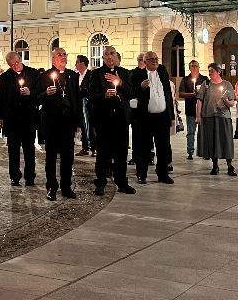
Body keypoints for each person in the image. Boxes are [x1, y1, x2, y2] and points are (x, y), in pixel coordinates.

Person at [87, 46, 136, 195]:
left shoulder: (124, 73)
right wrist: (104, 96)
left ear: (116, 56)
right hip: (104, 119)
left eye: (112, 54)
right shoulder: (96, 74)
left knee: (121, 152)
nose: (109, 57)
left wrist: (119, 82)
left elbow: (132, 93)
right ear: (103, 58)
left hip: (121, 119)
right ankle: (101, 182)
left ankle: (121, 182)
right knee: (103, 153)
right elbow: (90, 95)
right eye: (106, 54)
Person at [33, 48, 81, 200]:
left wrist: (78, 122)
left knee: (68, 156)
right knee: (51, 157)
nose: (63, 57)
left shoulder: (72, 75)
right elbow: (36, 97)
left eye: (65, 54)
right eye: (59, 55)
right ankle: (51, 187)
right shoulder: (45, 76)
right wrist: (46, 93)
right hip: (52, 121)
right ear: (53, 59)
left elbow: (76, 99)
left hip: (68, 121)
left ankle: (66, 187)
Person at [130, 51, 175, 184]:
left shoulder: (162, 71)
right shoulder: (137, 74)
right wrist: (141, 87)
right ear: (144, 62)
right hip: (145, 118)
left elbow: (168, 94)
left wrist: (171, 115)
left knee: (163, 147)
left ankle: (162, 173)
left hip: (162, 117)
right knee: (142, 147)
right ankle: (141, 174)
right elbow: (131, 92)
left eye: (156, 59)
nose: (155, 61)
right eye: (151, 59)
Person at [0, 51, 39, 187]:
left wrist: (30, 93)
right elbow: (1, 99)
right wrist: (0, 116)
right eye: (11, 65)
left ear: (20, 59)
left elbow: (40, 93)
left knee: (29, 149)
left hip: (28, 117)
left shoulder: (33, 73)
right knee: (13, 150)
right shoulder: (5, 77)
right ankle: (14, 176)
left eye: (16, 63)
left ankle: (30, 176)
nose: (15, 66)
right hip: (12, 119)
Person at [196, 63, 237, 176]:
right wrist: (198, 116)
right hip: (209, 116)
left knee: (226, 141)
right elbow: (199, 100)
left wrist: (226, 102)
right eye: (209, 71)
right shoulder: (206, 84)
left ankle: (230, 166)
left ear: (218, 72)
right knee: (212, 142)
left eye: (212, 71)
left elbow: (232, 102)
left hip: (223, 116)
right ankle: (215, 165)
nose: (210, 73)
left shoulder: (227, 84)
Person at [178, 60, 209, 160]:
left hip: (204, 110)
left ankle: (205, 152)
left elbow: (209, 91)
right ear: (189, 68)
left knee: (204, 132)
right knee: (191, 131)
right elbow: (181, 94)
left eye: (196, 66)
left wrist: (201, 93)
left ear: (199, 67)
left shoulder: (204, 79)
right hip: (191, 109)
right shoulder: (186, 79)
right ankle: (190, 151)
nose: (195, 68)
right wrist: (192, 94)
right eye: (192, 66)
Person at [75, 55, 96, 157]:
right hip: (79, 105)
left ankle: (94, 147)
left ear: (82, 63)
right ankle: (85, 148)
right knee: (83, 127)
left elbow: (91, 89)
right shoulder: (76, 76)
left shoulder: (91, 75)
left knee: (91, 127)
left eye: (77, 62)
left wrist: (81, 89)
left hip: (89, 105)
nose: (76, 64)